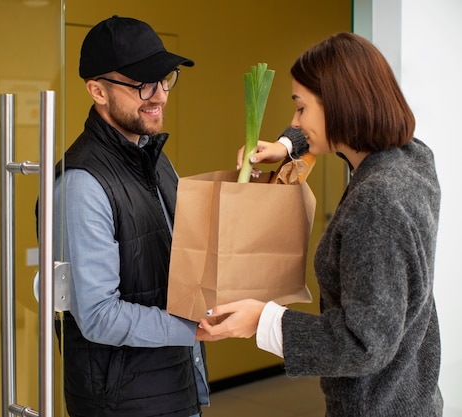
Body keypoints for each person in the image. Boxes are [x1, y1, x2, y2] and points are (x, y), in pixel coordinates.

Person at [198, 32, 443, 417]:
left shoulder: (377, 200)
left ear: (340, 106)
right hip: (412, 393)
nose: (296, 119)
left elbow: (363, 343)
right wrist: (288, 144)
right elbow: (328, 128)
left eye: (300, 108)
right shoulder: (412, 159)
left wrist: (263, 321)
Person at [46, 15, 209, 417]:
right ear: (96, 90)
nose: (159, 96)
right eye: (141, 84)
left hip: (171, 388)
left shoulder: (154, 158)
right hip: (122, 405)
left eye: (164, 79)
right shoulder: (83, 183)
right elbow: (99, 316)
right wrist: (194, 328)